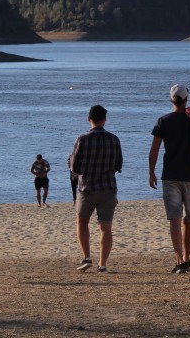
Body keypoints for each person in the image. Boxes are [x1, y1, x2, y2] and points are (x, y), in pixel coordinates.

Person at [149, 84, 190, 274]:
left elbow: (154, 150)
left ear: (171, 100)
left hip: (170, 176)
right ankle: (187, 257)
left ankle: (178, 258)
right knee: (189, 219)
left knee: (174, 220)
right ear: (186, 100)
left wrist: (151, 172)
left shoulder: (163, 121)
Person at [70, 104, 123, 273]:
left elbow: (74, 166)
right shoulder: (114, 139)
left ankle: (87, 257)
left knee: (82, 222)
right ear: (104, 120)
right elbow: (118, 164)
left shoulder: (82, 139)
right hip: (107, 188)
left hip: (87, 188)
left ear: (89, 120)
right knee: (105, 228)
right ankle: (102, 264)